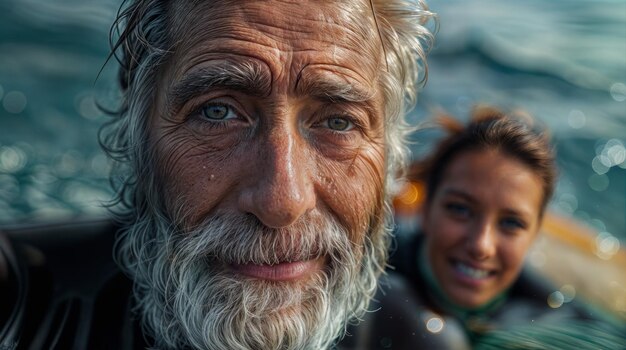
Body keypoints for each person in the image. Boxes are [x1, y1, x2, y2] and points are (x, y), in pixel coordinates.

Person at [0, 1, 435, 349]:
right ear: (136, 132)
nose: (282, 200)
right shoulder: (23, 298)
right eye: (217, 112)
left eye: (339, 122)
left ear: (393, 158)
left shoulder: (411, 337)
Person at [341, 107, 626, 349]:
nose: (481, 245)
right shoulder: (366, 263)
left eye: (511, 223)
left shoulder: (554, 319)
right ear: (425, 210)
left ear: (534, 235)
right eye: (460, 209)